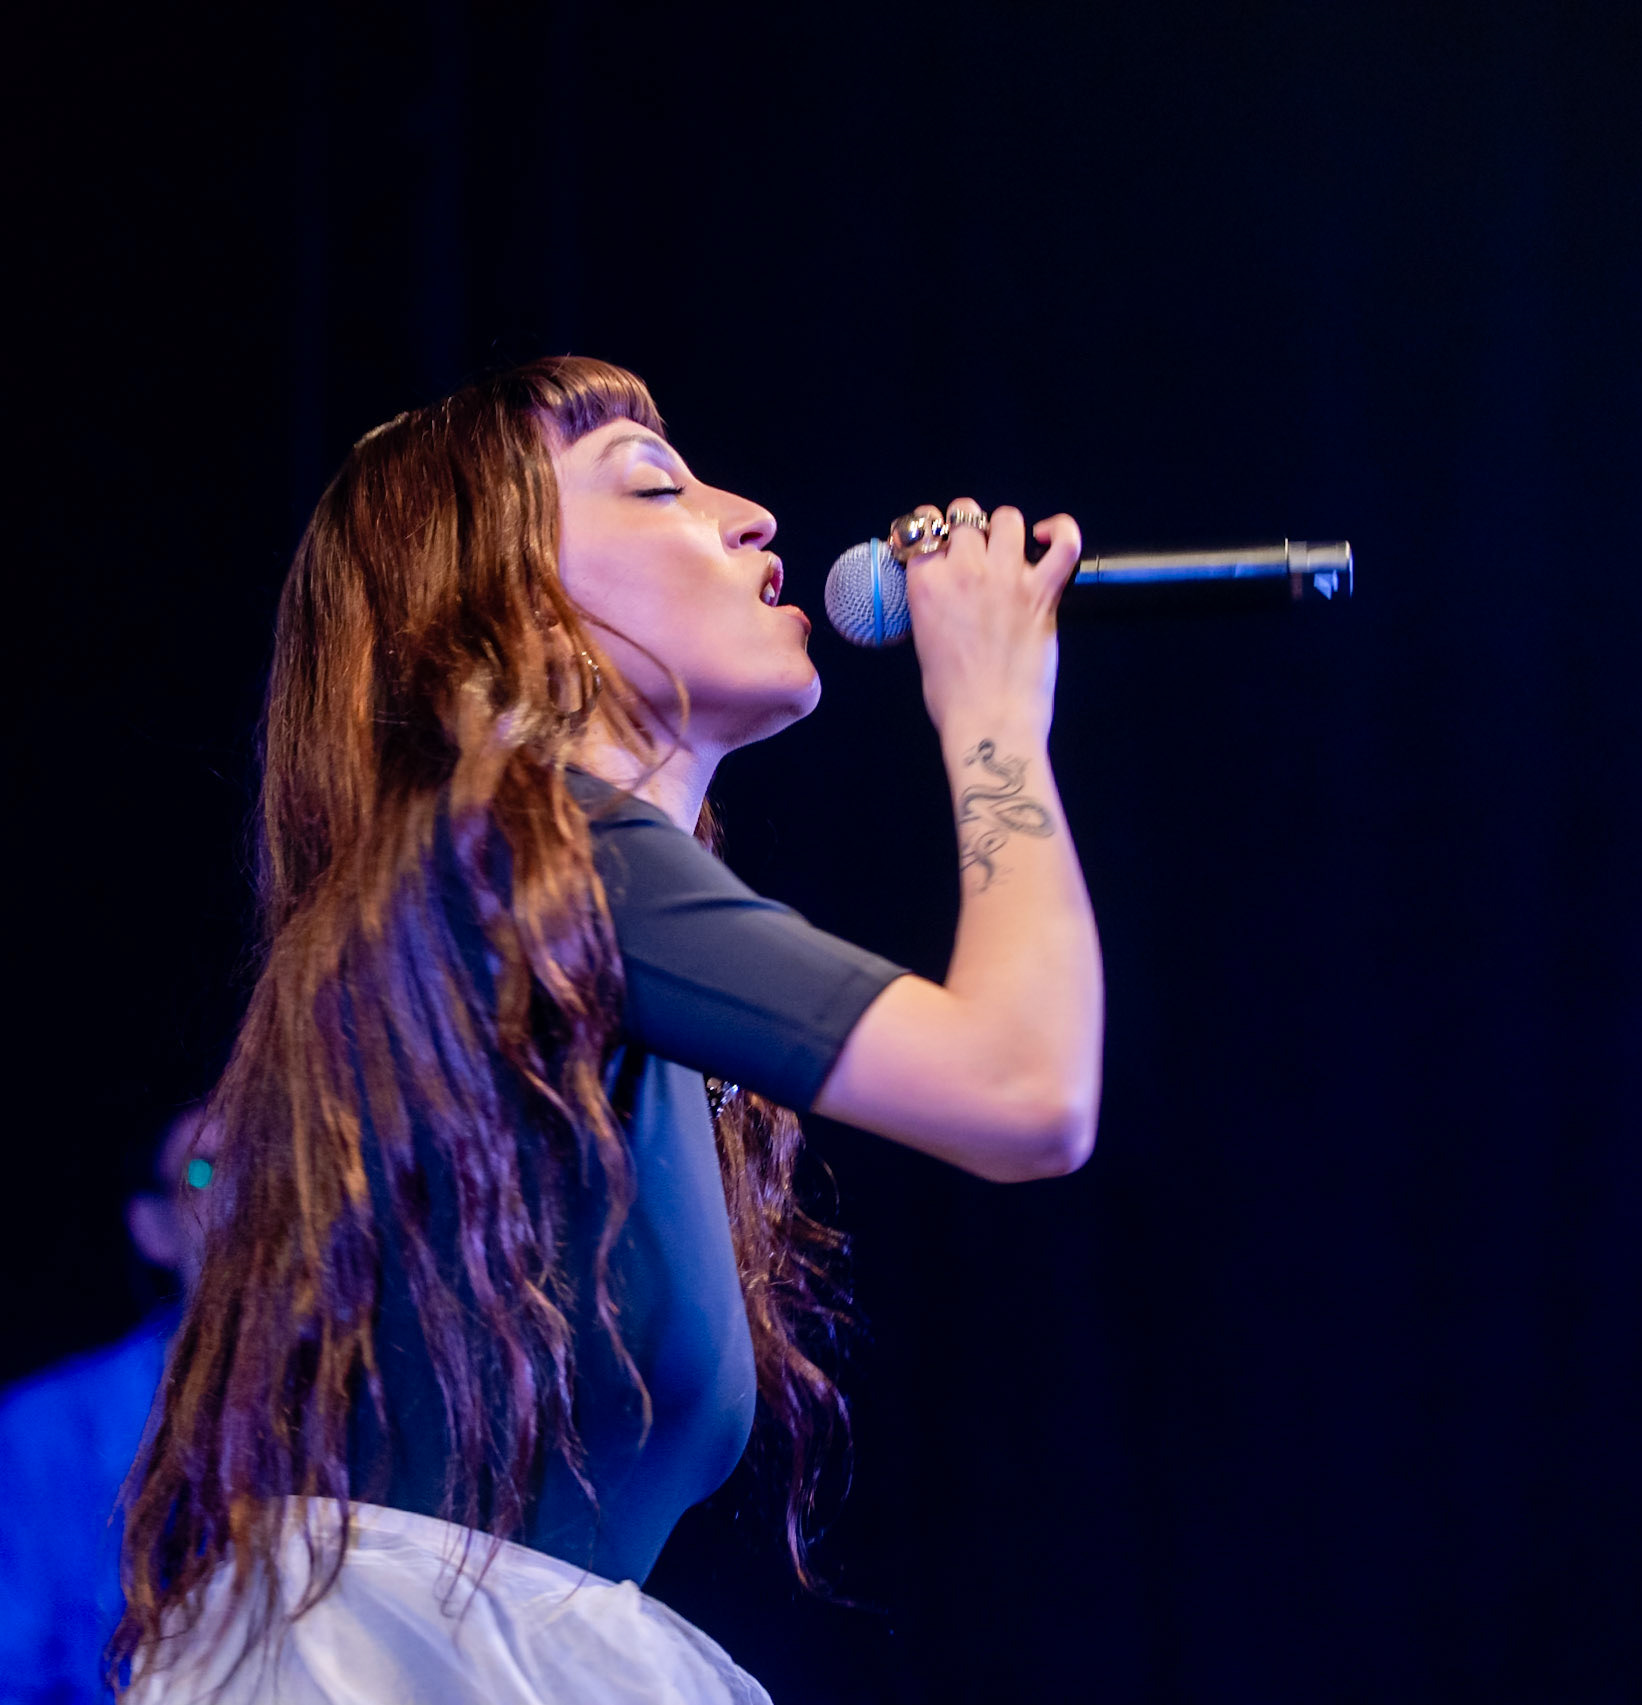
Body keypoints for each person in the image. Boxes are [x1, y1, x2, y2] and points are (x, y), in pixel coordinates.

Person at [112, 356, 1103, 1702]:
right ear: (510, 603)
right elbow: (1026, 1087)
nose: (751, 515)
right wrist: (992, 718)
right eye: (653, 484)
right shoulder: (519, 854)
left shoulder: (570, 926)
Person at [0, 1097, 214, 1702]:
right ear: (153, 1226)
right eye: (207, 1171)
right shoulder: (47, 1432)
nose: (252, 1194)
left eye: (278, 1163)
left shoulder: (373, 1411)